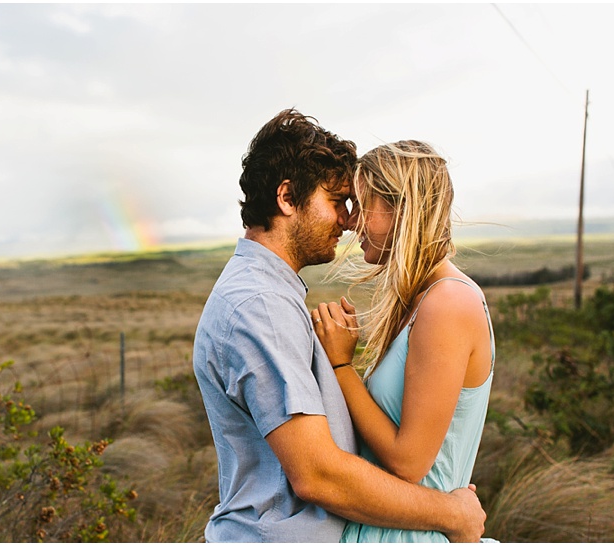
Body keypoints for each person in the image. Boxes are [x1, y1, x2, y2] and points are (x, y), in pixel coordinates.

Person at [192, 110, 486, 543]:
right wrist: (452, 513)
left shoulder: (274, 295)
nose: (348, 221)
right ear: (287, 199)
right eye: (337, 202)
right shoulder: (260, 306)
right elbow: (317, 475)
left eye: (357, 205)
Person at [312, 140, 496, 542]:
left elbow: (408, 461)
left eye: (362, 205)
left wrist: (342, 365)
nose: (352, 222)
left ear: (401, 208)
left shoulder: (448, 303)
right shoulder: (423, 300)